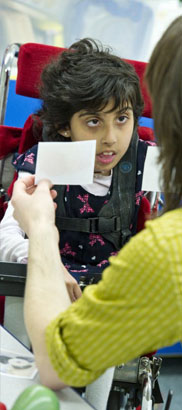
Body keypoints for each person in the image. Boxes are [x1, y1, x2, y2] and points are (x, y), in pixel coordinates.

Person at [10, 15, 182, 393]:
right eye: (92, 122)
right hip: (47, 283)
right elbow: (7, 232)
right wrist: (46, 264)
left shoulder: (147, 161)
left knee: (100, 381)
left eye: (122, 119)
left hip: (113, 291)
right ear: (64, 127)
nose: (110, 138)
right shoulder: (44, 164)